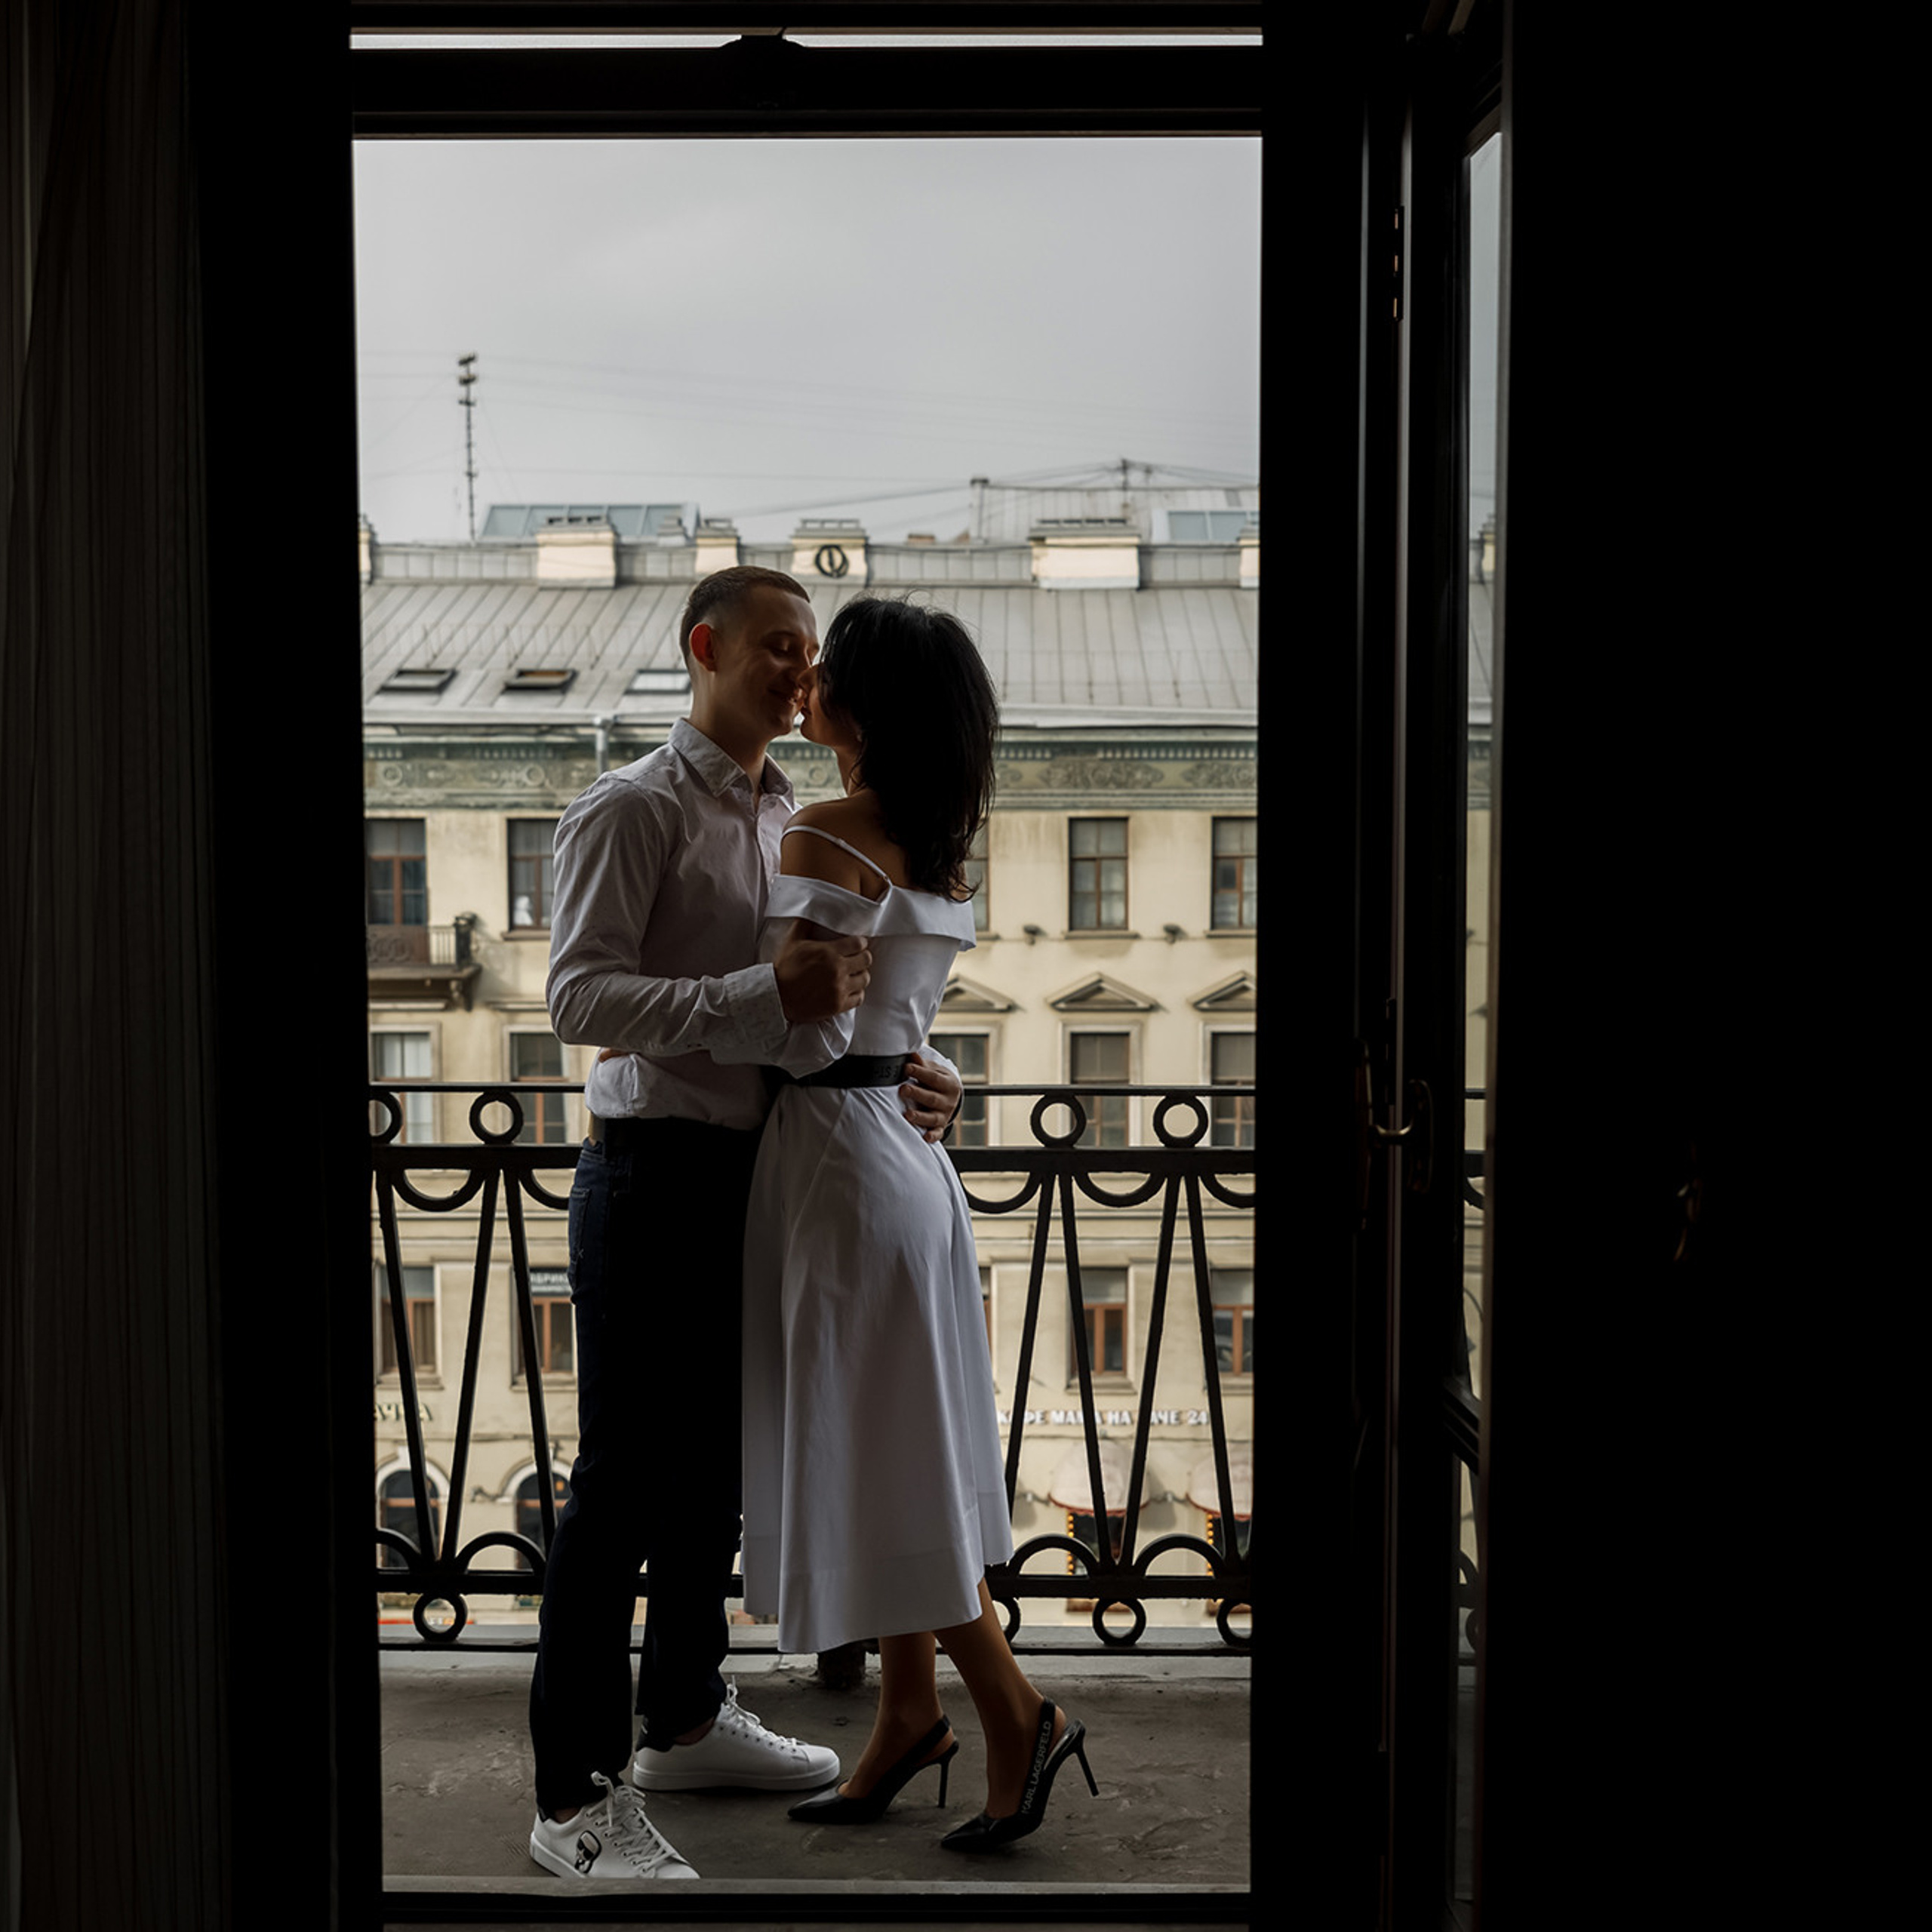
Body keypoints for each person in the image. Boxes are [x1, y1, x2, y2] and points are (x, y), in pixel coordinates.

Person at [526, 565, 964, 1884]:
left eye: (810, 652)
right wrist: (749, 992)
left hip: (760, 1174)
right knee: (616, 1497)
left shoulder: (792, 809)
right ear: (704, 647)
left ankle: (683, 1718)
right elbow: (577, 999)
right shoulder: (634, 805)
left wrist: (916, 1074)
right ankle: (573, 1801)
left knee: (716, 1471)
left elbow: (833, 1009)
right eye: (776, 647)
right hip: (651, 1172)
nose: (799, 670)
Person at [740, 596, 1099, 1853]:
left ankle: (1015, 1710)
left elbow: (807, 1022)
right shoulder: (935, 842)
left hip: (837, 1165)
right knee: (903, 1447)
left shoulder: (825, 831)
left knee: (889, 1458)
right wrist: (934, 1071)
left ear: (863, 708)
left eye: (830, 667)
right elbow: (893, 1021)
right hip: (901, 1162)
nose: (812, 678)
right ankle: (905, 1715)